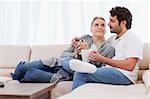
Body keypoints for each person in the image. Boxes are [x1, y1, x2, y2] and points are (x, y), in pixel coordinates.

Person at [11, 16, 115, 83]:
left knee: (31, 74)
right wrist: (75, 54)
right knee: (22, 67)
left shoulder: (108, 49)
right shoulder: (84, 39)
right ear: (91, 29)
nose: (100, 27)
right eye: (96, 25)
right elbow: (63, 55)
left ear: (105, 30)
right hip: (56, 63)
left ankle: (17, 79)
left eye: (102, 25)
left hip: (65, 74)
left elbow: (99, 71)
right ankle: (15, 78)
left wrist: (86, 53)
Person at [72, 6, 143, 90]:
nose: (108, 24)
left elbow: (130, 65)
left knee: (81, 73)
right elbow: (97, 43)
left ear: (123, 23)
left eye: (112, 21)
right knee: (81, 70)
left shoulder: (133, 38)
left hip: (124, 75)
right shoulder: (112, 39)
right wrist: (77, 41)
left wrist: (102, 59)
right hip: (109, 70)